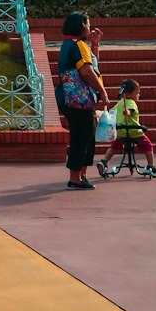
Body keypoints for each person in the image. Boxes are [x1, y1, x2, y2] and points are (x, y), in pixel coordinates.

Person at [56, 12, 107, 190]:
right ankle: (75, 179)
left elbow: (92, 66)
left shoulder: (69, 44)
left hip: (70, 98)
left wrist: (94, 45)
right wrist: (103, 91)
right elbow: (87, 72)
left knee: (83, 136)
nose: (89, 27)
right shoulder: (77, 45)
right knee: (82, 137)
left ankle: (80, 176)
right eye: (87, 24)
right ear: (81, 26)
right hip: (79, 100)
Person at [99, 79, 156, 178]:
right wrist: (127, 112)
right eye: (137, 93)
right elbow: (130, 110)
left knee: (114, 145)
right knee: (148, 145)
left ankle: (104, 161)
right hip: (134, 131)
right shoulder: (131, 102)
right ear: (128, 94)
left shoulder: (119, 103)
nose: (138, 95)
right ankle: (151, 166)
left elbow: (112, 113)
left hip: (121, 132)